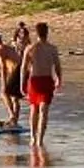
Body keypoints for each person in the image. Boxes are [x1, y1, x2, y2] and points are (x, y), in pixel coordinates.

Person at [20, 21, 61, 150]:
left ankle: (39, 139)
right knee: (35, 110)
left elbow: (57, 66)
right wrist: (22, 84)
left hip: (46, 80)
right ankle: (33, 136)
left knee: (43, 109)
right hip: (35, 81)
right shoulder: (31, 48)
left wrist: (59, 79)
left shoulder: (51, 48)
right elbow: (24, 68)